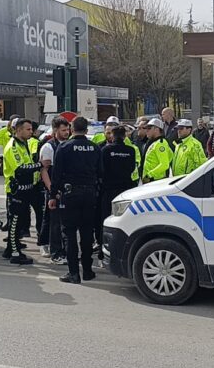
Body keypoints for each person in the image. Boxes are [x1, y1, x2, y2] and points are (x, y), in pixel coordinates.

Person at [50, 117, 103, 284]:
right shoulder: (95, 148)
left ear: (72, 129)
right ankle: (87, 270)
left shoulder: (64, 147)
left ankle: (73, 273)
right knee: (87, 233)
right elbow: (101, 172)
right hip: (89, 194)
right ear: (86, 130)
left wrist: (53, 195)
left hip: (70, 194)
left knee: (69, 233)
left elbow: (56, 174)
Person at [2, 119, 39, 265]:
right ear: (18, 130)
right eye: (28, 129)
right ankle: (15, 254)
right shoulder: (13, 146)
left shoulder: (24, 144)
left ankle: (9, 249)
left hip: (26, 189)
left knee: (19, 221)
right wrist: (40, 165)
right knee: (15, 222)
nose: (31, 132)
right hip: (16, 190)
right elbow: (20, 169)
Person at [101, 125, 137, 257]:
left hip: (108, 189)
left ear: (113, 136)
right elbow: (132, 168)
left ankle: (104, 249)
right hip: (125, 189)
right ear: (124, 136)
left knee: (106, 218)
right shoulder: (131, 150)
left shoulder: (106, 150)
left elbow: (101, 170)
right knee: (124, 219)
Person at [38, 116, 71, 261]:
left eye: (68, 129)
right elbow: (44, 170)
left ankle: (62, 248)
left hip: (66, 190)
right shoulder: (48, 147)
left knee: (63, 222)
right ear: (55, 130)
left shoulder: (68, 144)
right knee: (54, 222)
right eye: (63, 130)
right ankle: (55, 252)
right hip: (54, 190)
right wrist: (52, 190)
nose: (67, 132)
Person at [140, 118, 173, 183]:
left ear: (157, 129)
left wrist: (149, 175)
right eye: (146, 128)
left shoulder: (161, 143)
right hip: (152, 180)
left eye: (149, 128)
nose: (146, 131)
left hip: (156, 181)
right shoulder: (154, 143)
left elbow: (164, 164)